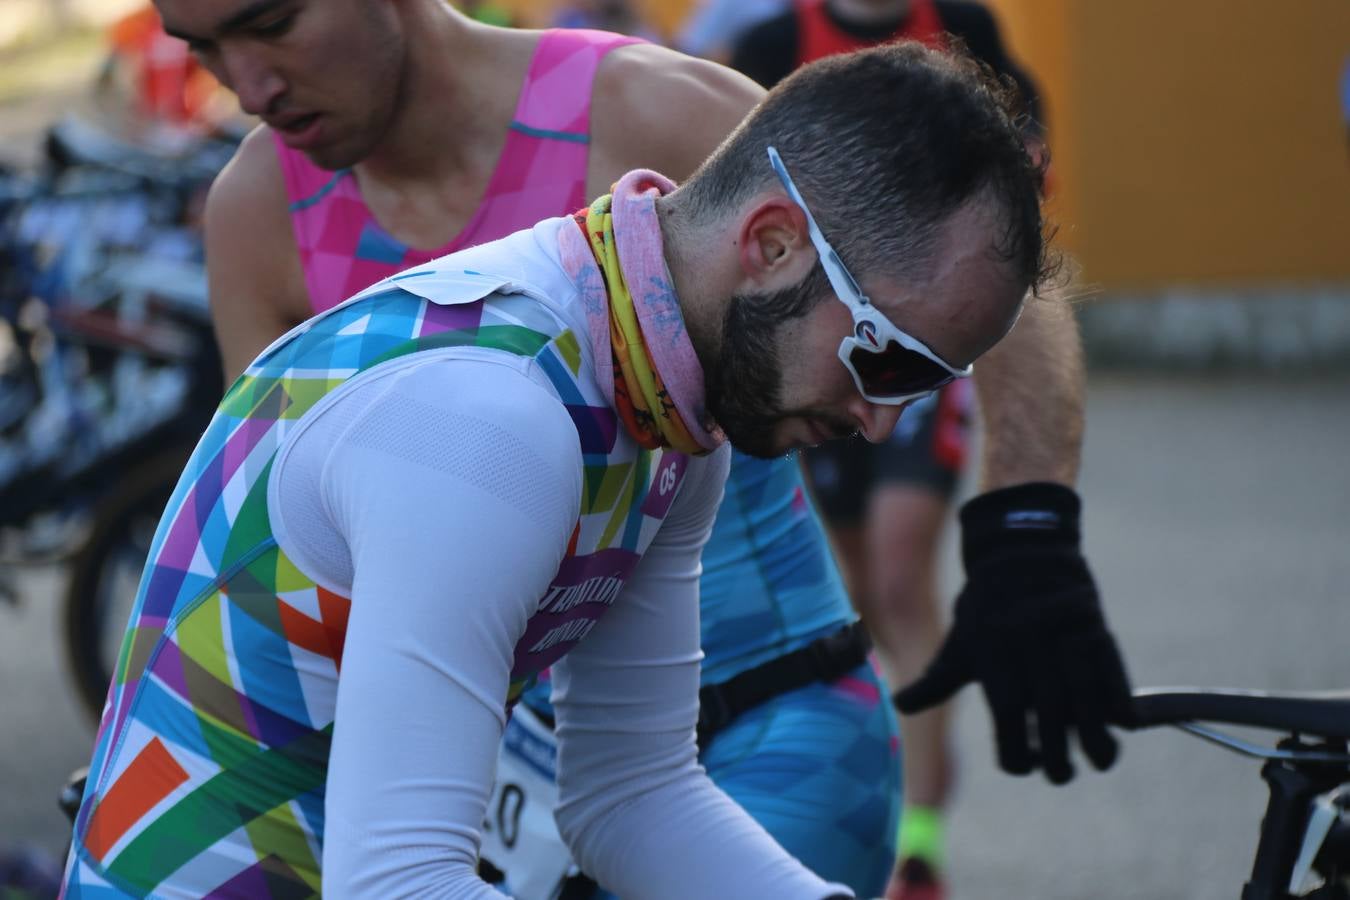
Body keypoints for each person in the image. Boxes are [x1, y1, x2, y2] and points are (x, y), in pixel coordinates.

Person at [59, 39, 1118, 898]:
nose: (885, 422)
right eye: (886, 357)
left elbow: (630, 795)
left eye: (926, 384)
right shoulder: (497, 423)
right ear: (774, 244)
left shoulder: (662, 396)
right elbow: (398, 886)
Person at [730, 3, 1047, 897]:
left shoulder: (959, 27)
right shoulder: (771, 45)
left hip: (921, 373)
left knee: (905, 583)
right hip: (816, 363)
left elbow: (1026, 193)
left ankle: (920, 842)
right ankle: (858, 803)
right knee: (852, 599)